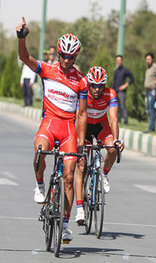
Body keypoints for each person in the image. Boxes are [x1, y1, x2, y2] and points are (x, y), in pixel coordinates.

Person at [17, 17, 88, 243]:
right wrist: (22, 38)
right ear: (58, 54)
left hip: (68, 129)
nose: (67, 60)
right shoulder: (47, 69)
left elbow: (82, 114)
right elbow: (24, 58)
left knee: (68, 177)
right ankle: (39, 184)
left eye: (71, 56)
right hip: (49, 123)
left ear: (76, 56)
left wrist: (81, 143)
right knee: (39, 151)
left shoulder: (82, 81)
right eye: (63, 55)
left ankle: (65, 225)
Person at [75, 66, 124, 225]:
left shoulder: (111, 93)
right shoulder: (83, 92)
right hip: (85, 127)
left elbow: (114, 119)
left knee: (112, 149)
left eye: (100, 86)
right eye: (93, 85)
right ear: (89, 84)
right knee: (81, 166)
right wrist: (80, 142)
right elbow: (78, 116)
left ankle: (104, 174)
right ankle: (80, 209)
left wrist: (116, 139)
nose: (96, 89)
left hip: (102, 127)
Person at [113, 55, 135, 125]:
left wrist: (125, 85)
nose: (118, 62)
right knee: (117, 107)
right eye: (117, 60)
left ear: (122, 61)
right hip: (115, 91)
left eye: (120, 60)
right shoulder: (116, 71)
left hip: (122, 92)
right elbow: (114, 81)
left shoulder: (125, 70)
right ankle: (118, 121)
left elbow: (132, 78)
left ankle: (125, 121)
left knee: (122, 106)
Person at [144, 53, 156, 133]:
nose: (148, 61)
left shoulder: (155, 67)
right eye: (147, 59)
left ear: (153, 59)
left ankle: (152, 128)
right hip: (148, 91)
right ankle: (150, 127)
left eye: (149, 59)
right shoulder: (148, 67)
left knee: (151, 110)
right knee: (148, 109)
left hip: (153, 91)